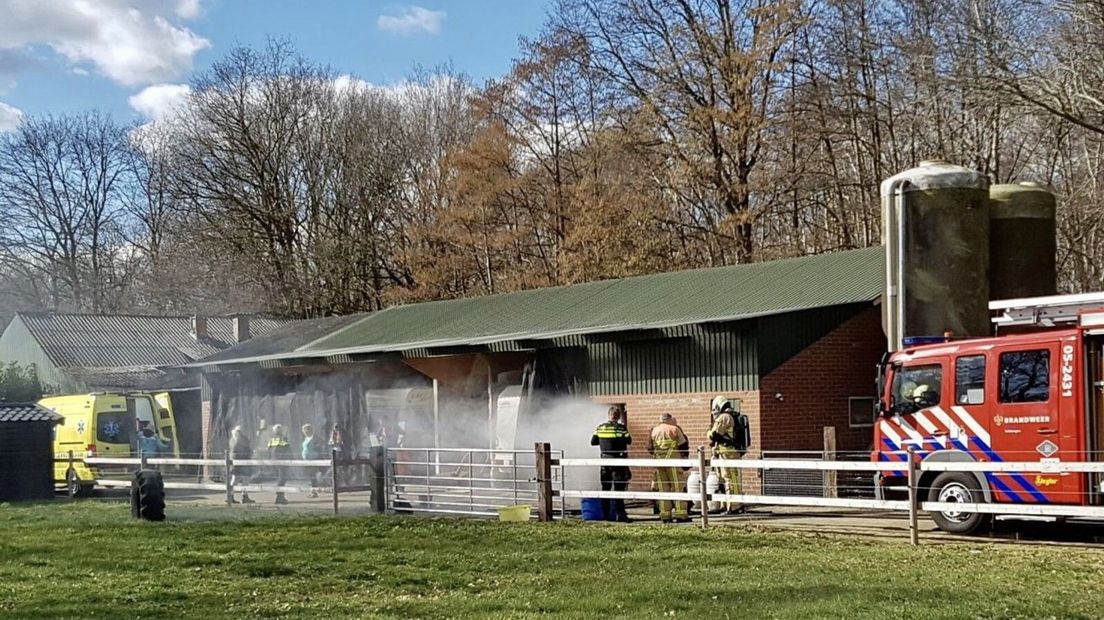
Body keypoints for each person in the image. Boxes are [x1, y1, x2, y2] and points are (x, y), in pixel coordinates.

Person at [590, 405, 632, 522]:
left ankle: (606, 515)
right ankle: (620, 515)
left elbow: (593, 442)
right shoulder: (621, 428)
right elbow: (629, 440)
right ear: (618, 417)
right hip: (618, 461)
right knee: (619, 488)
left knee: (606, 488)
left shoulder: (600, 427)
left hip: (604, 461)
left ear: (609, 415)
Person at [650, 413, 690, 523]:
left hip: (659, 465)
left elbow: (649, 448)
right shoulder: (675, 429)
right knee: (677, 488)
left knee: (663, 489)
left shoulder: (654, 430)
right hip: (674, 464)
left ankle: (665, 515)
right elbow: (683, 446)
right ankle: (681, 514)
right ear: (670, 419)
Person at [709, 395, 744, 515]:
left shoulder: (724, 417)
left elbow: (714, 435)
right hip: (727, 452)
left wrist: (708, 432)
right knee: (724, 479)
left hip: (727, 453)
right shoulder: (730, 416)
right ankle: (727, 505)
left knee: (729, 479)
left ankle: (733, 506)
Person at [228, 425, 255, 504]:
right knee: (244, 479)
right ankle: (242, 497)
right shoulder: (240, 439)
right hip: (242, 462)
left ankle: (230, 496)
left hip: (235, 462)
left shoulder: (233, 439)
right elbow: (245, 450)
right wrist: (250, 453)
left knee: (236, 479)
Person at [267, 424, 293, 505]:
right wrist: (292, 459)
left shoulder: (272, 439)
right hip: (282, 461)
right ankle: (279, 496)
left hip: (273, 461)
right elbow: (287, 449)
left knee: (280, 478)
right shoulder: (283, 439)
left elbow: (269, 450)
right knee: (282, 479)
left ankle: (280, 495)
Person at [301, 423, 322, 498]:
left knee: (312, 475)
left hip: (313, 459)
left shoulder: (315, 438)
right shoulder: (306, 439)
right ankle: (314, 490)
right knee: (310, 475)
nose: (305, 432)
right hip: (307, 460)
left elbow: (320, 446)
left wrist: (315, 450)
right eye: (304, 431)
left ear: (310, 430)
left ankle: (314, 492)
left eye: (306, 431)